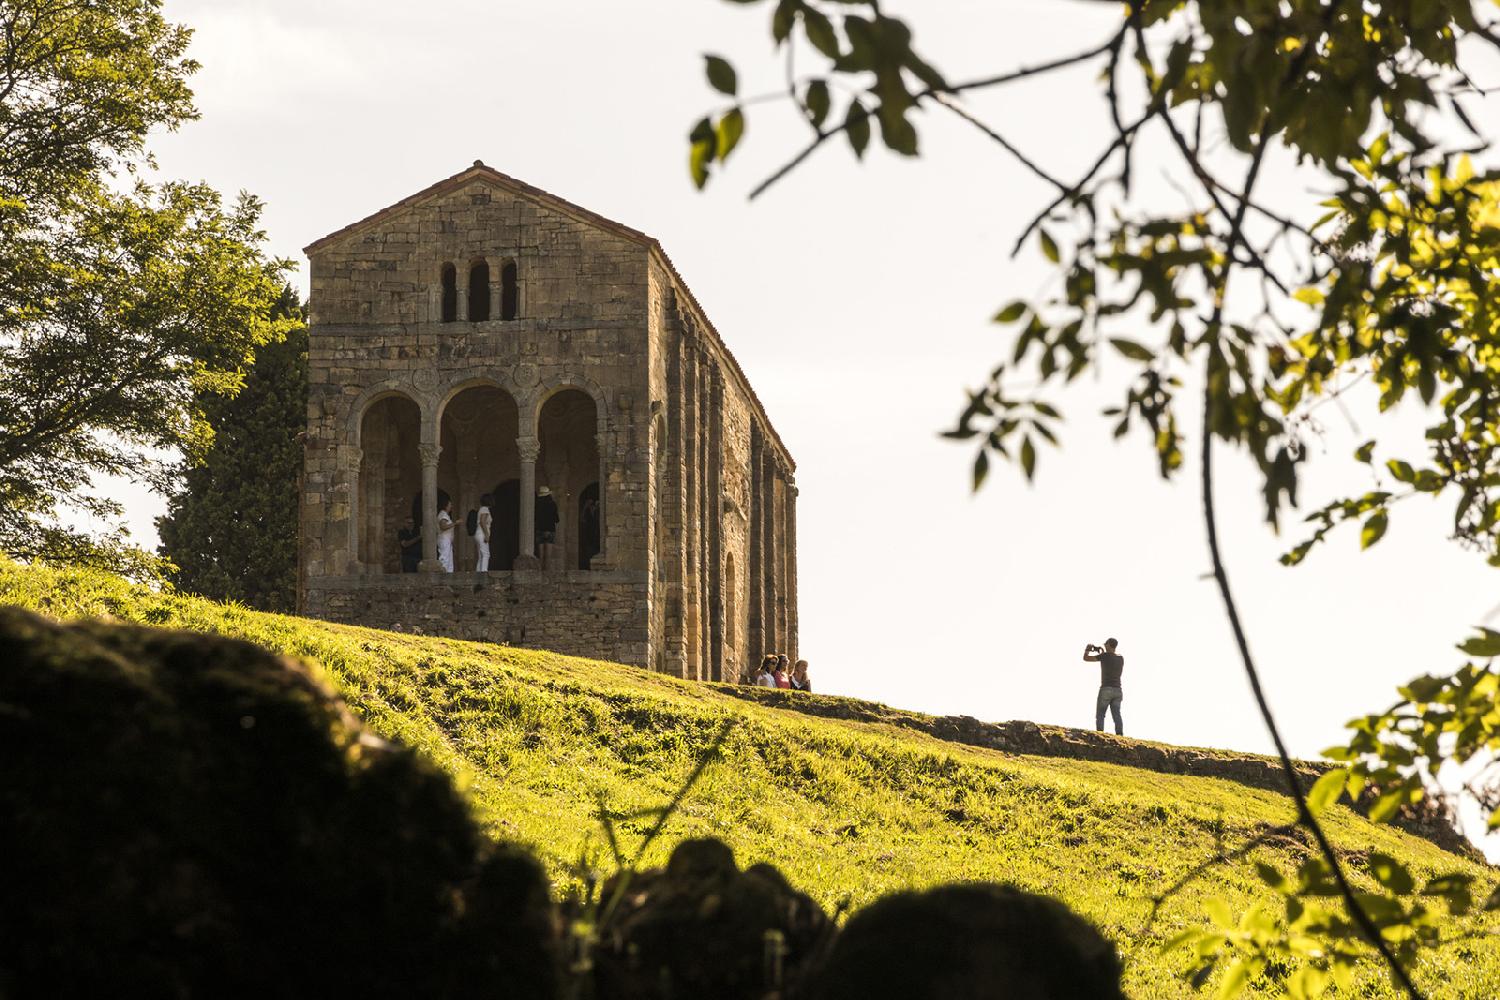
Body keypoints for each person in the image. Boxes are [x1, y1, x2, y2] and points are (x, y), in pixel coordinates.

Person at [1082, 637, 1124, 736]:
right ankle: (1120, 735)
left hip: (1106, 689)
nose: (1104, 645)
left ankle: (1100, 734)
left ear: (1109, 645)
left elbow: (1086, 659)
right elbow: (1109, 657)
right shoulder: (1120, 658)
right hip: (1118, 690)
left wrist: (1087, 650)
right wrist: (1100, 651)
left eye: (1106, 644)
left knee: (1100, 714)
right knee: (1116, 715)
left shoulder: (1104, 656)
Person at [474, 493, 494, 572]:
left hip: (478, 533)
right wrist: (486, 534)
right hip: (482, 533)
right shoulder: (485, 509)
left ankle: (479, 572)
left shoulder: (481, 509)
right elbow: (482, 522)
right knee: (486, 554)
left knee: (481, 555)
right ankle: (484, 572)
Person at [436, 499, 456, 573]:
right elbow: (443, 527)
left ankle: (448, 576)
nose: (451, 506)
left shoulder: (445, 515)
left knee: (449, 560)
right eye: (450, 505)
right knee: (444, 558)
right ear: (445, 506)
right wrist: (455, 523)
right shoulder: (443, 514)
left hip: (447, 540)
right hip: (444, 539)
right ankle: (442, 576)